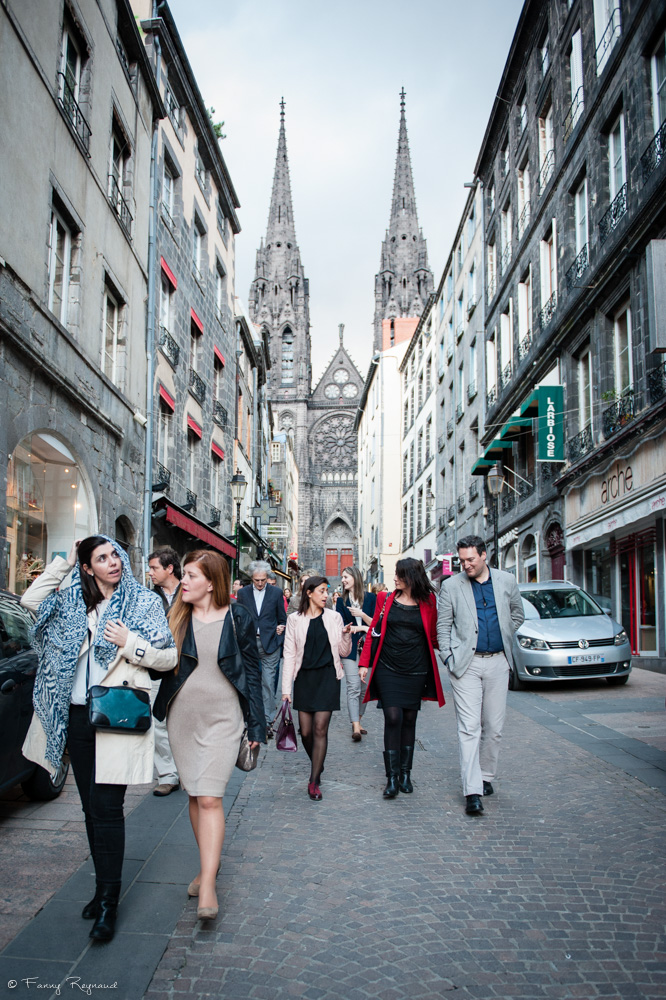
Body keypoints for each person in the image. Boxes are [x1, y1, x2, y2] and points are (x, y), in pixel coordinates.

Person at [21, 536, 177, 942]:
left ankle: (109, 901)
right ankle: (100, 888)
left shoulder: (143, 602)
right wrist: (64, 562)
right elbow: (30, 602)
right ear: (87, 567)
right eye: (101, 558)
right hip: (77, 715)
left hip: (118, 714)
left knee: (107, 808)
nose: (113, 563)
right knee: (91, 808)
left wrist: (131, 645)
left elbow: (168, 656)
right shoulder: (72, 600)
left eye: (115, 556)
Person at [154, 550, 264, 921]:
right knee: (195, 794)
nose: (182, 581)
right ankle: (205, 866)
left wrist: (257, 726)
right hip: (183, 718)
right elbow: (159, 666)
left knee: (210, 799)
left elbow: (252, 672)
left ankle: (210, 884)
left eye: (190, 576)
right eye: (183, 575)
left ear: (211, 582)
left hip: (224, 718)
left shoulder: (238, 617)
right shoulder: (176, 616)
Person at [437, 535, 524, 816]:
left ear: (484, 556)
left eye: (471, 559)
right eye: (462, 560)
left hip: (499, 662)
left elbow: (518, 615)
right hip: (466, 666)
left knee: (494, 728)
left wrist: (504, 633)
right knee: (469, 728)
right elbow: (443, 627)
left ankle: (485, 775)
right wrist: (449, 658)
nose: (466, 565)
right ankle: (472, 791)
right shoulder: (451, 586)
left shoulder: (507, 581)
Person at [359, 558, 444, 799]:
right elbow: (375, 630)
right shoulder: (384, 599)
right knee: (393, 716)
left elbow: (435, 635)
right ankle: (392, 778)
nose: (394, 578)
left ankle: (406, 773)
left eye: (398, 575)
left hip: (416, 669)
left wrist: (450, 654)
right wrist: (364, 662)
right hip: (388, 667)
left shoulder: (428, 601)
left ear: (411, 577)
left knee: (409, 719)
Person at [281, 576, 352, 800]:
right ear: (309, 593)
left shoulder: (334, 617)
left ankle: (313, 781)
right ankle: (317, 763)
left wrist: (346, 637)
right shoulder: (294, 619)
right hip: (304, 678)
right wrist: (286, 690)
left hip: (328, 677)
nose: (326, 595)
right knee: (307, 732)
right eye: (321, 591)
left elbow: (343, 652)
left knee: (321, 729)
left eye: (326, 591)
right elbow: (289, 655)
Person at [235, 560, 287, 737]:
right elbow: (238, 617)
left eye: (263, 580)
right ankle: (251, 719)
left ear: (267, 578)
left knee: (267, 683)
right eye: (256, 580)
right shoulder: (242, 593)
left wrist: (280, 632)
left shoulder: (276, 593)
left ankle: (267, 721)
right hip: (249, 644)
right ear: (251, 578)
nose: (259, 583)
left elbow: (282, 618)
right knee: (250, 682)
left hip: (270, 644)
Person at [147, 547, 182, 797]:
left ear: (169, 569)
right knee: (158, 720)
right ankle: (168, 775)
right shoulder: (149, 598)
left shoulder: (190, 592)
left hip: (187, 666)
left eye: (154, 568)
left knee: (186, 720)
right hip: (158, 666)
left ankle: (188, 770)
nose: (150, 573)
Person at [336, 566, 376, 742]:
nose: (343, 580)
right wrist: (360, 628)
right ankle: (355, 726)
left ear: (355, 578)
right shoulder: (341, 602)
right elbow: (341, 626)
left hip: (368, 647)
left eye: (346, 577)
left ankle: (358, 720)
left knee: (364, 687)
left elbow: (378, 625)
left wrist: (362, 617)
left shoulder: (371, 598)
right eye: (342, 577)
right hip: (350, 649)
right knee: (353, 686)